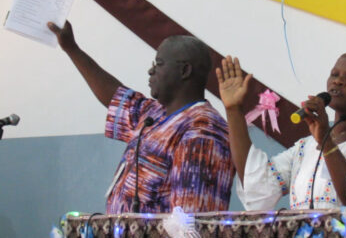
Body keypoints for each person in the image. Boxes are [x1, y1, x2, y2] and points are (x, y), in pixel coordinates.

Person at [48, 21, 235, 214]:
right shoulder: (154, 114)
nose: (151, 71)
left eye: (159, 64)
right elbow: (115, 97)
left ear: (184, 71)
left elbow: (189, 224)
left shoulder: (203, 131)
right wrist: (72, 49)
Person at [216, 50, 346, 209]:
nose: (338, 81)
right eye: (334, 74)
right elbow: (258, 185)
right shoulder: (306, 146)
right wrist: (233, 111)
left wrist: (327, 142)